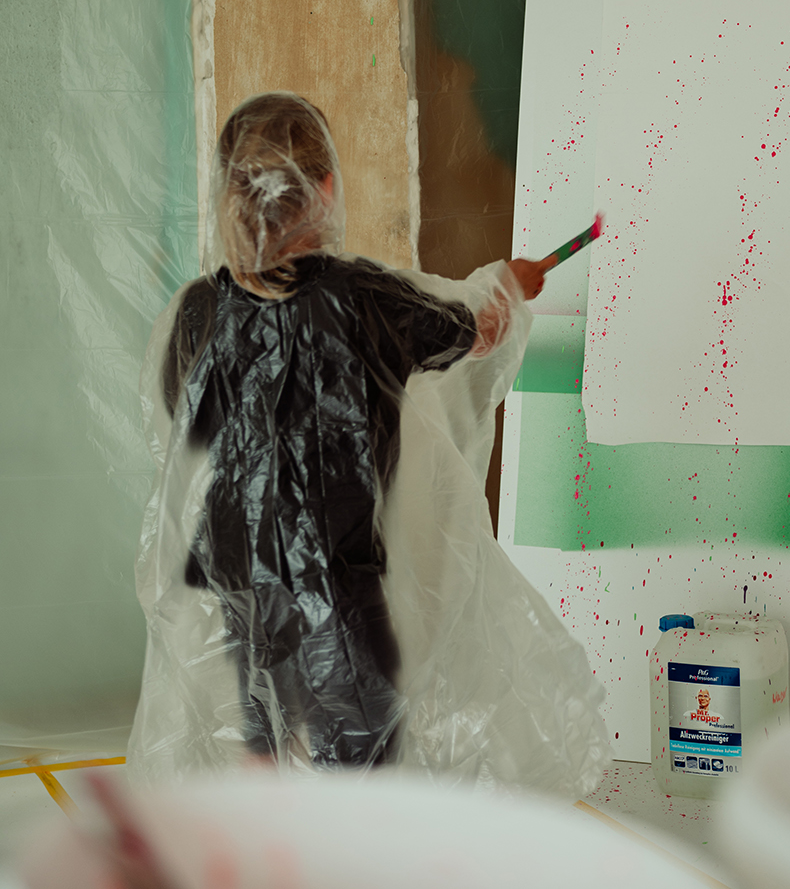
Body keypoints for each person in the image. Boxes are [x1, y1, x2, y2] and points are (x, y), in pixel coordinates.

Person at [128, 93, 610, 792]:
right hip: (336, 580)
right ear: (325, 188)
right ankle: (338, 838)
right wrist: (509, 282)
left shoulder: (196, 310)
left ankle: (270, 826)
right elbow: (475, 330)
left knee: (259, 732)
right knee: (359, 744)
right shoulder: (363, 298)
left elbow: (184, 422)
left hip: (236, 577)